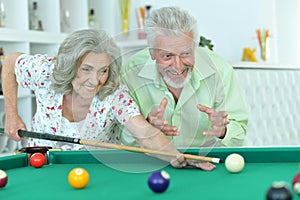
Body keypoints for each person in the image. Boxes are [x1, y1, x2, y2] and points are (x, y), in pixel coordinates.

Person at [2, 29, 215, 170]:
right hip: (39, 166)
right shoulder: (47, 71)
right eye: (86, 69)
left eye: (102, 70)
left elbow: (145, 133)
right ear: (69, 66)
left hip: (97, 174)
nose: (95, 81)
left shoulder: (115, 95)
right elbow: (10, 63)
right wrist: (12, 115)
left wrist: (175, 156)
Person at [119, 6, 248, 148]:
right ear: (152, 53)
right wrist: (145, 129)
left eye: (186, 54)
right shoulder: (130, 72)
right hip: (153, 160)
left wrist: (223, 131)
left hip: (206, 164)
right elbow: (121, 135)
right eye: (167, 56)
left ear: (195, 48)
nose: (178, 66)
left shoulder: (221, 71)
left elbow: (239, 133)